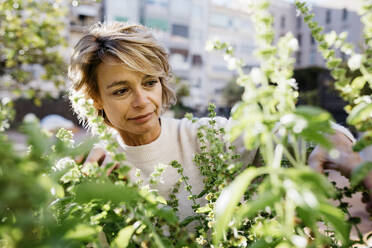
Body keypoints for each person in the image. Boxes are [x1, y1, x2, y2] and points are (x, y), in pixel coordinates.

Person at [68, 22, 371, 220]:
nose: (142, 100)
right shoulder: (92, 164)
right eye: (121, 90)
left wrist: (340, 151)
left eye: (149, 83)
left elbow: (291, 135)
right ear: (95, 99)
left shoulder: (206, 137)